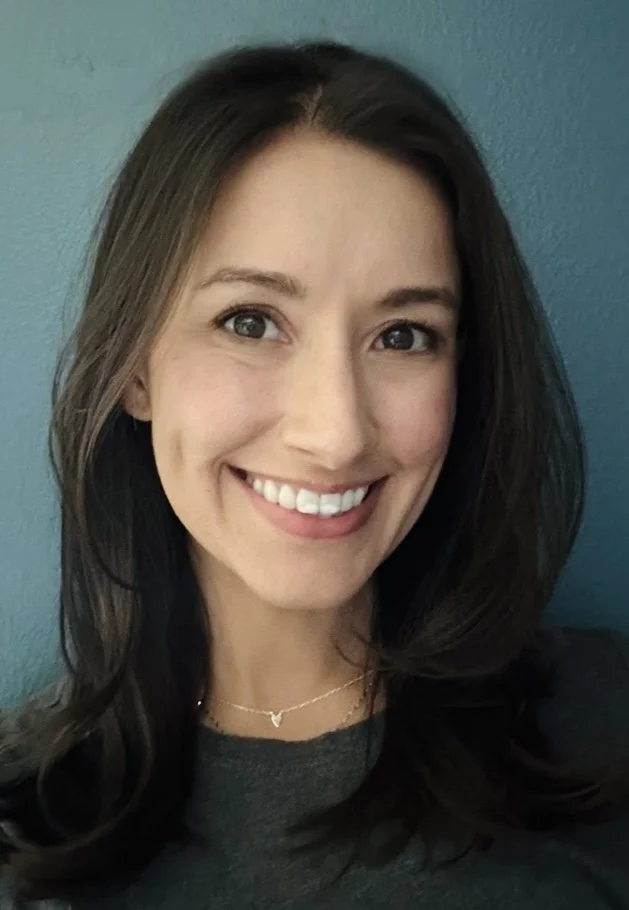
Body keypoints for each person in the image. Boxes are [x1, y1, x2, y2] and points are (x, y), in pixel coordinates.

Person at [1, 39, 628, 909]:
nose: (333, 433)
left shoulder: (605, 730)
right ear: (136, 368)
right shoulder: (23, 831)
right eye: (251, 321)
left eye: (403, 335)